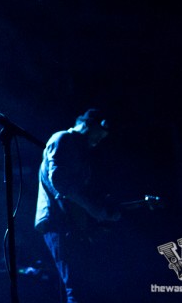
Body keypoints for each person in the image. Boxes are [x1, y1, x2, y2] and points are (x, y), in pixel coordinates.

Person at [34, 109, 120, 303]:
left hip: (69, 223)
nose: (100, 139)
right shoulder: (63, 138)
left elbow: (76, 194)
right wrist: (92, 209)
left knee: (78, 287)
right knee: (77, 288)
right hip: (58, 222)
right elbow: (59, 182)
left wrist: (100, 211)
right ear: (88, 124)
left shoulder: (80, 152)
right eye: (99, 133)